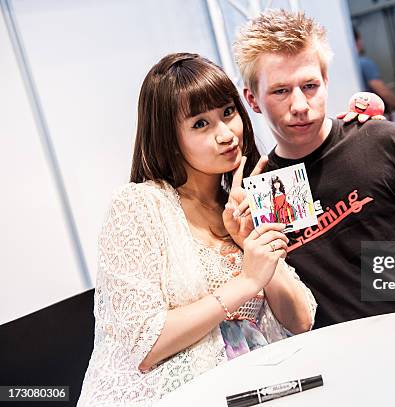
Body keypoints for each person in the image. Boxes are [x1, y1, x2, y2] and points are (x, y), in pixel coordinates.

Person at [77, 53, 316, 406]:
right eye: (200, 124)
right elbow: (147, 345)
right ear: (170, 138)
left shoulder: (242, 202)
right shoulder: (139, 206)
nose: (225, 134)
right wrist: (246, 283)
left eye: (227, 113)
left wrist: (252, 241)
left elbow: (301, 321)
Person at [233, 10, 395, 328]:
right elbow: (296, 318)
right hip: (342, 363)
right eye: (280, 91)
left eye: (309, 86)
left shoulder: (383, 141)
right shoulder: (265, 193)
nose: (300, 106)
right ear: (252, 100)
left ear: (326, 81)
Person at [354, 28, 395, 119]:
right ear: (357, 41)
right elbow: (382, 90)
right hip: (376, 114)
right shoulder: (364, 63)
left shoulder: (354, 65)